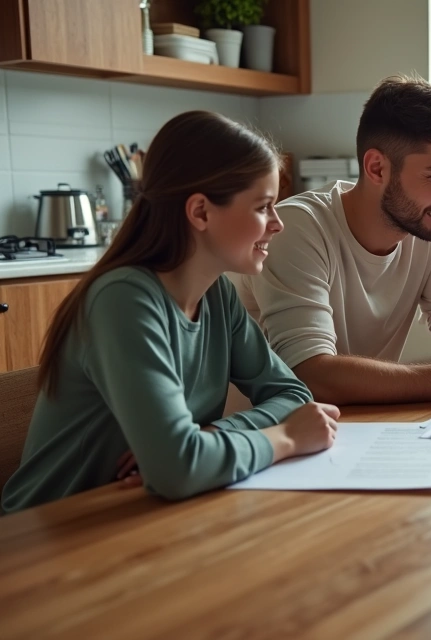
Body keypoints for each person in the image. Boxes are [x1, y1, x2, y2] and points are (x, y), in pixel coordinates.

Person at [2, 111, 336, 513]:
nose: (278, 224)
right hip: (51, 531)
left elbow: (292, 394)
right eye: (263, 207)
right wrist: (288, 440)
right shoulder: (123, 301)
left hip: (140, 514)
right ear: (200, 212)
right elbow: (179, 469)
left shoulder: (217, 297)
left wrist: (216, 434)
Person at [237, 76, 431, 404]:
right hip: (260, 437)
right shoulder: (295, 229)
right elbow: (312, 376)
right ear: (376, 168)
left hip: (358, 427)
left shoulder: (427, 227)